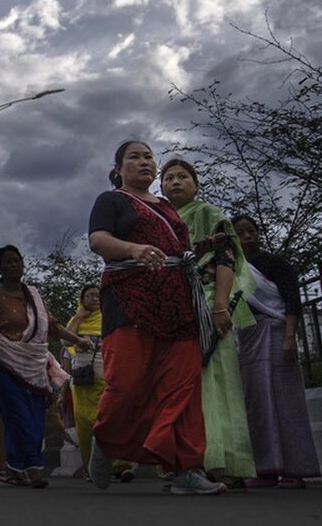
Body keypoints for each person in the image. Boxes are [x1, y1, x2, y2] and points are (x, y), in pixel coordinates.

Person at [87, 141, 224, 495]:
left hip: (177, 303)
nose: (144, 161)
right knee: (127, 383)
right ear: (118, 169)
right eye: (134, 157)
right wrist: (133, 249)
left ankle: (187, 469)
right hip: (130, 300)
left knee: (182, 388)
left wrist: (199, 251)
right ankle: (106, 440)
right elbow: (98, 241)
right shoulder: (112, 200)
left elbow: (179, 252)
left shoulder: (166, 208)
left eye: (148, 156)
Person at [161, 159, 258, 487]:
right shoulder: (163, 221)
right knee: (185, 386)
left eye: (183, 176)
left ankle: (225, 461)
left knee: (217, 382)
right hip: (176, 311)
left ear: (196, 185)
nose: (176, 182)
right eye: (169, 178)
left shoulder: (207, 213)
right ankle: (192, 463)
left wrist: (219, 307)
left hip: (207, 304)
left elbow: (224, 258)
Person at [0, 244, 88, 489]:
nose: (14, 265)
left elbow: (52, 327)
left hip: (34, 365)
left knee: (35, 418)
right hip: (3, 363)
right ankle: (34, 468)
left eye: (17, 261)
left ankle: (15, 468)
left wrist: (78, 340)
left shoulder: (33, 296)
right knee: (17, 416)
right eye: (8, 262)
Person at [230, 215, 321, 488]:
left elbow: (292, 301)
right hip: (248, 336)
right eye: (240, 233)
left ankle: (295, 469)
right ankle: (264, 469)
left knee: (285, 400)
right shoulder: (232, 270)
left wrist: (290, 337)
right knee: (256, 402)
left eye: (251, 230)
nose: (247, 236)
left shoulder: (276, 264)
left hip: (277, 332)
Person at [65, 284, 134, 484]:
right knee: (85, 424)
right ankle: (90, 468)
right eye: (89, 295)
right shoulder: (76, 319)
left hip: (108, 374)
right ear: (82, 300)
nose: (95, 298)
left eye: (97, 295)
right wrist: (79, 317)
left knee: (113, 418)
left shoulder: (110, 316)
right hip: (83, 379)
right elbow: (66, 342)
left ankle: (121, 466)